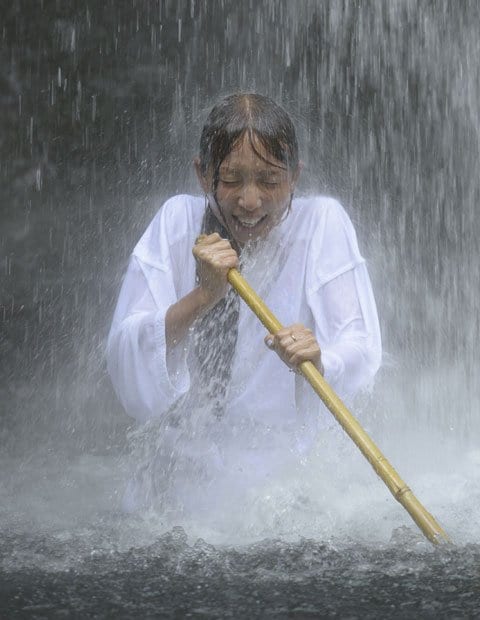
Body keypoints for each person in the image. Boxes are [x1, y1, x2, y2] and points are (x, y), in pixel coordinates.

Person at [107, 93, 382, 515]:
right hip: (179, 492)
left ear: (295, 177)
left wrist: (320, 358)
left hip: (283, 494)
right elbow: (127, 350)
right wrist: (204, 297)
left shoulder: (322, 223)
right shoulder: (177, 221)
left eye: (270, 180)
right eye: (232, 179)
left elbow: (360, 346)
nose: (250, 201)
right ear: (203, 175)